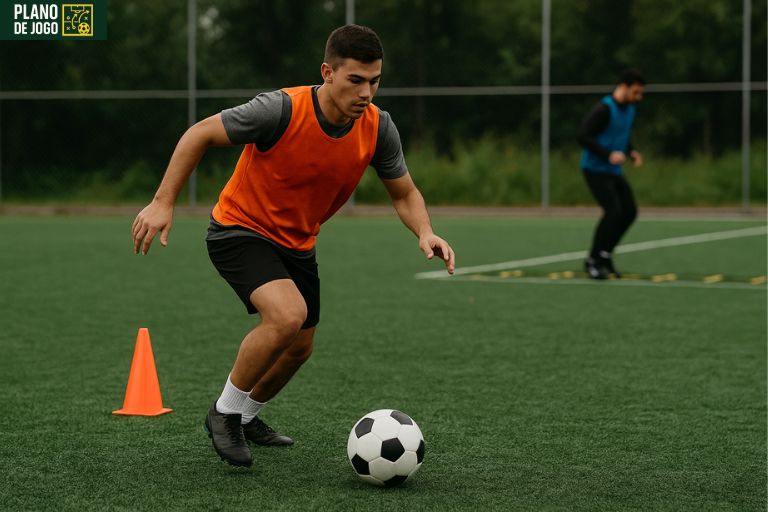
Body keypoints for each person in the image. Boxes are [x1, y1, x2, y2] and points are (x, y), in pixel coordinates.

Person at [130, 25, 455, 468]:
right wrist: (163, 201)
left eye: (375, 81)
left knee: (300, 348)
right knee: (286, 316)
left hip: (298, 242)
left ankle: (245, 417)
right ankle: (222, 414)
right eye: (355, 80)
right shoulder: (279, 110)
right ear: (327, 72)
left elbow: (404, 193)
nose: (366, 92)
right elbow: (199, 134)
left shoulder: (378, 128)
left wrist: (424, 231)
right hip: (239, 229)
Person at [577, 69, 645, 279]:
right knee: (613, 212)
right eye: (635, 92)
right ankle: (592, 260)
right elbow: (583, 136)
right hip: (595, 169)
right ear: (623, 87)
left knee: (630, 212)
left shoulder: (630, 110)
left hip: (613, 170)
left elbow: (621, 134)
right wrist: (607, 155)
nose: (638, 97)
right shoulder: (604, 109)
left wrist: (630, 151)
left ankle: (605, 255)